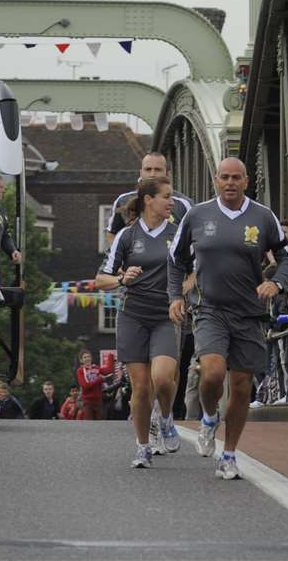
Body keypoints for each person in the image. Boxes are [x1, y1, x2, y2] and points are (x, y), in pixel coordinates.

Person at [168, 157, 288, 481]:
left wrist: (276, 282)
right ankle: (210, 417)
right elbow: (175, 259)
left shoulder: (262, 216)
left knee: (241, 388)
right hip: (209, 308)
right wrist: (174, 296)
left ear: (246, 181)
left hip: (250, 312)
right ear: (215, 179)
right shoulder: (198, 215)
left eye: (235, 178)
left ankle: (229, 455)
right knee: (212, 372)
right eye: (224, 177)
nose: (229, 183)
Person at [97, 176, 183, 467]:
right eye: (166, 197)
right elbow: (100, 279)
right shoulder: (128, 236)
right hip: (133, 315)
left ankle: (167, 417)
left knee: (162, 378)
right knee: (142, 388)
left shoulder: (178, 233)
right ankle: (143, 447)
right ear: (149, 200)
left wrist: (183, 289)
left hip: (165, 315)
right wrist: (122, 278)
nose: (172, 202)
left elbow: (197, 268)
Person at [74, 349, 105, 420]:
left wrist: (111, 357)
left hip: (98, 400)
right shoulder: (80, 370)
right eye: (85, 357)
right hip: (88, 401)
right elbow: (85, 386)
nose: (87, 359)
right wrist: (99, 379)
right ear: (81, 360)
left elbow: (107, 370)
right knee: (89, 422)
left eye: (88, 357)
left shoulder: (96, 368)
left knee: (100, 423)